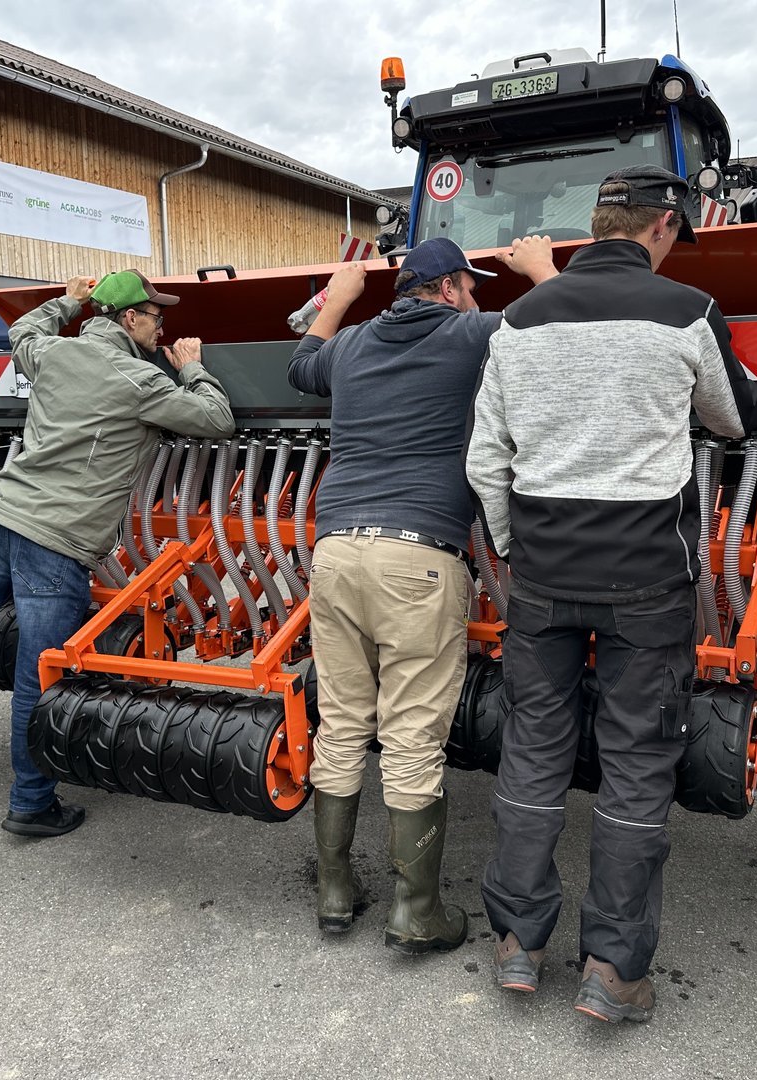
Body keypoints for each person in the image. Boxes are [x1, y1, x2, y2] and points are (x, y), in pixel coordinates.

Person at [466, 165, 757, 1022]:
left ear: (597, 224)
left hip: (544, 573)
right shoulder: (688, 310)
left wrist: (515, 547)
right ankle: (613, 970)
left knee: (533, 748)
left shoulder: (518, 320)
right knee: (636, 762)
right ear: (662, 227)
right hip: (646, 580)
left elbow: (485, 460)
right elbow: (732, 420)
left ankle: (517, 943)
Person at [0, 271, 235, 837]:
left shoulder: (52, 354)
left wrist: (67, 301)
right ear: (130, 319)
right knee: (39, 673)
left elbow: (22, 332)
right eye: (157, 317)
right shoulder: (140, 378)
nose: (163, 328)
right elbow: (217, 420)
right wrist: (191, 368)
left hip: (0, 520)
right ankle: (32, 804)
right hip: (56, 541)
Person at [288, 236, 556, 953]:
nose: (475, 299)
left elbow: (300, 366)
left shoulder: (350, 344)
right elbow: (563, 323)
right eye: (470, 286)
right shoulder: (470, 335)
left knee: (342, 721)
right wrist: (542, 271)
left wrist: (338, 298)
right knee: (410, 734)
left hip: (336, 551)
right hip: (419, 556)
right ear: (446, 289)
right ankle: (416, 910)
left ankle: (335, 890)